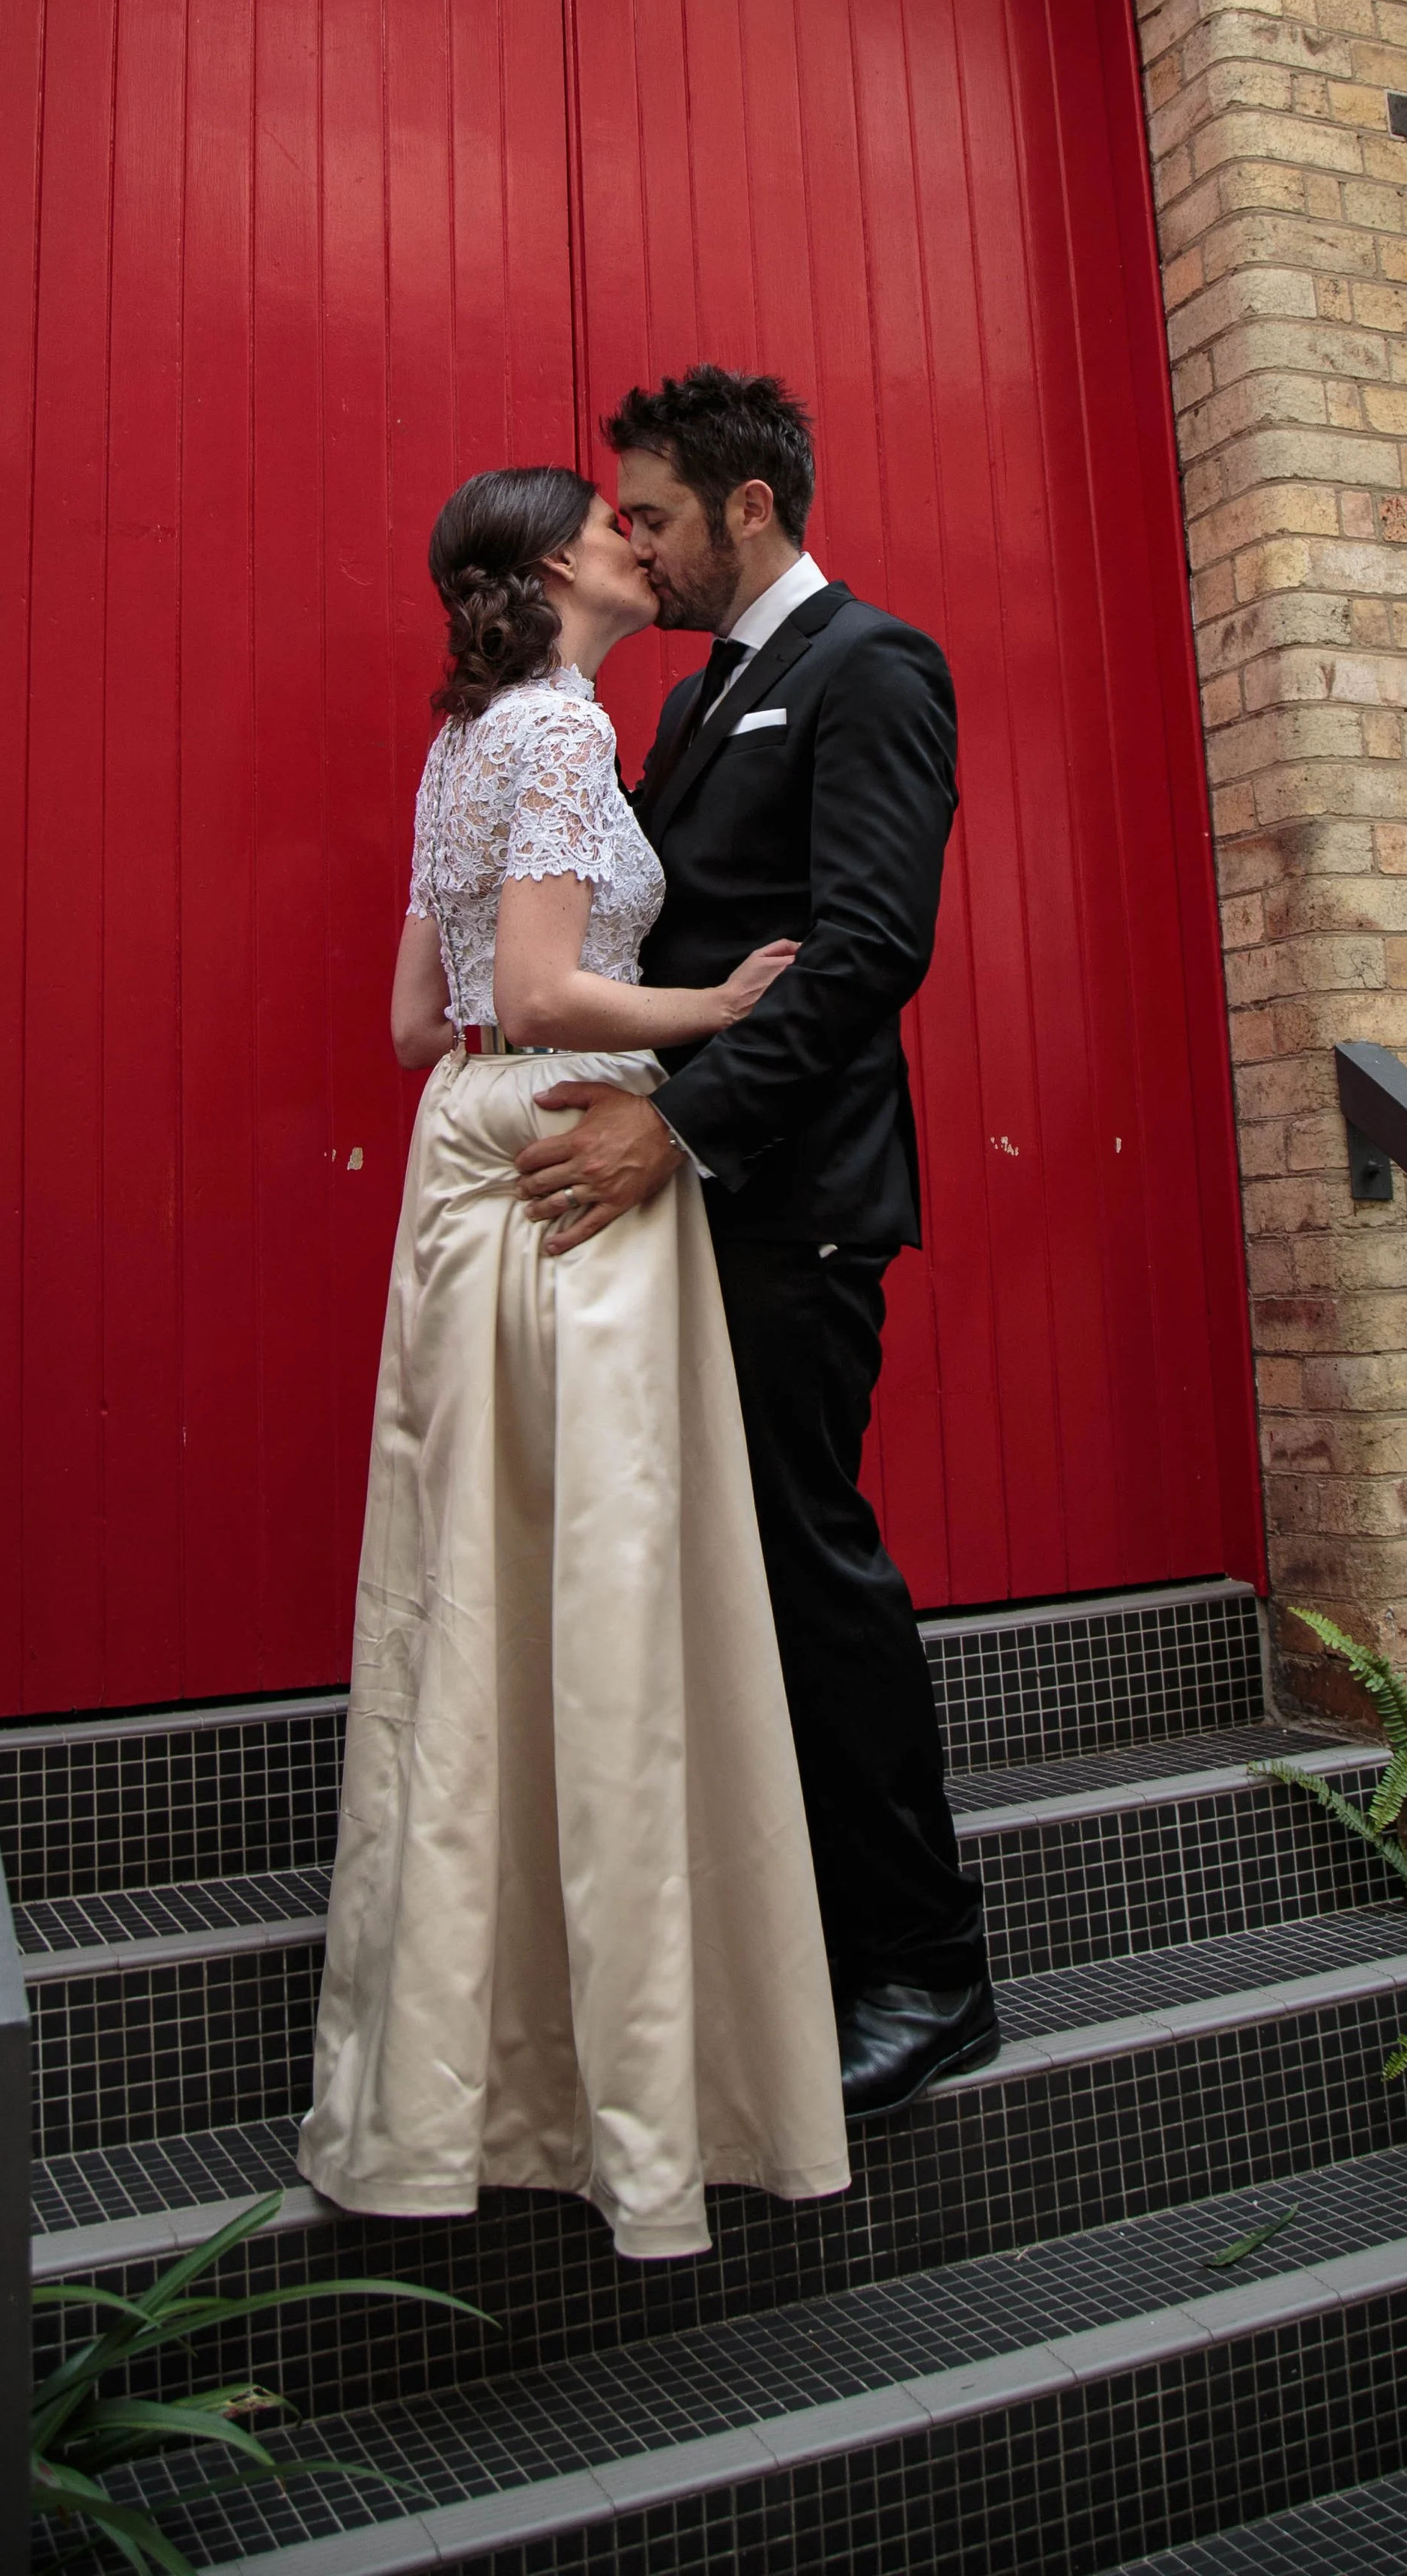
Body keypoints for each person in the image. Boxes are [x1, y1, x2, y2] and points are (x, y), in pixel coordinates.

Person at [297, 463, 850, 2261]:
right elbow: (537, 995)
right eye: (606, 516)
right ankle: (615, 2092)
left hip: (462, 1164)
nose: (638, 529)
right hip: (558, 1161)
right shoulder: (547, 739)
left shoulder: (462, 744)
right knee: (599, 1595)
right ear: (542, 563)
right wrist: (707, 1012)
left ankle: (448, 2076)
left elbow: (413, 1024)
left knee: (474, 1597)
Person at [514, 369, 999, 2117]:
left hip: (787, 1203)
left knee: (809, 1566)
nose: (631, 544)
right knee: (723, 1574)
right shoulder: (698, 701)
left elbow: (866, 950)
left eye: (648, 515)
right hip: (692, 1197)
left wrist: (686, 1126)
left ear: (747, 505)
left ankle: (928, 1970)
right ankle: (784, 1929)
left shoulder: (873, 666)